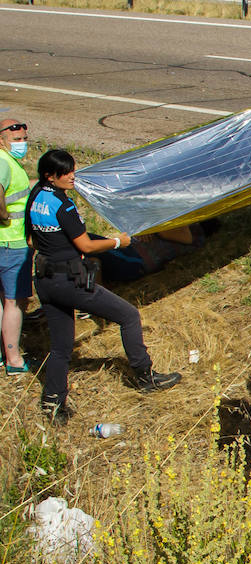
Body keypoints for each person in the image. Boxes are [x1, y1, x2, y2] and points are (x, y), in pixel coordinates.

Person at [25, 149, 181, 425]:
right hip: (69, 281)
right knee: (129, 316)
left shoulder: (36, 196)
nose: (73, 176)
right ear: (51, 176)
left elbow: (31, 241)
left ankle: (53, 401)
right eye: (67, 172)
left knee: (61, 346)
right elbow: (86, 245)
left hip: (45, 279)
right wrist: (117, 242)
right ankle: (145, 376)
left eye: (73, 169)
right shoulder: (64, 206)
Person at [0, 118, 31, 374]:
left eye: (23, 139)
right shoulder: (3, 161)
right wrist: (3, 215)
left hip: (6, 241)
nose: (22, 144)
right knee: (14, 302)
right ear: (2, 140)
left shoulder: (8, 161)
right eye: (16, 140)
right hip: (11, 242)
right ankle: (14, 360)